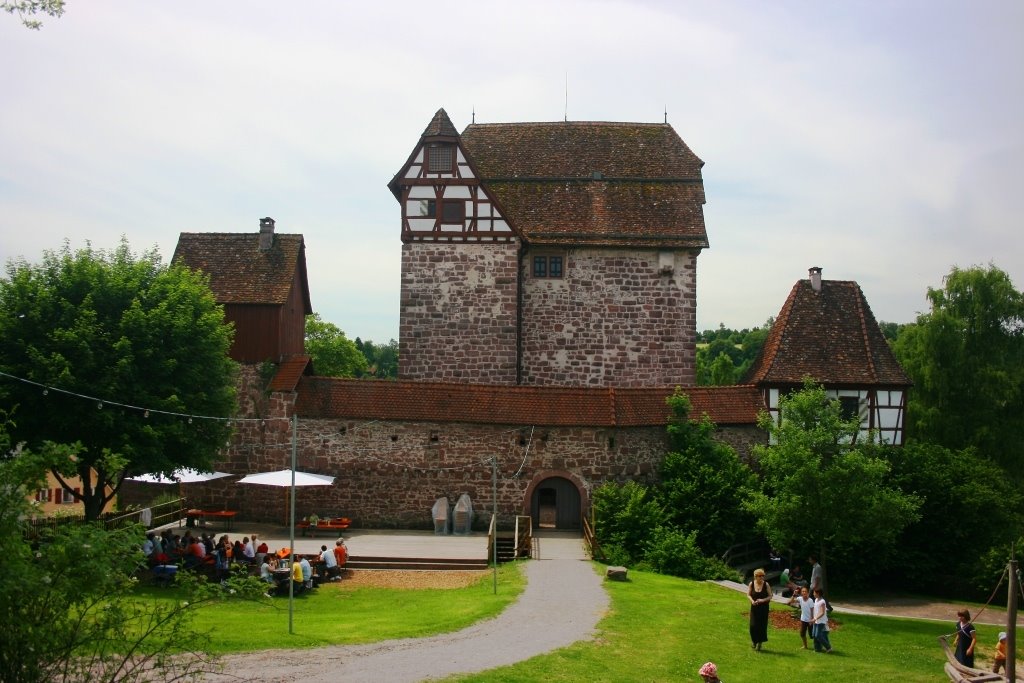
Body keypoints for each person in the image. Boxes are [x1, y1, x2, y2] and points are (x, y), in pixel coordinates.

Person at [747, 567, 771, 651]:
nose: (761, 577)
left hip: (763, 609)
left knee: (762, 626)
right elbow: (748, 594)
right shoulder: (751, 584)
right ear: (755, 576)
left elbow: (770, 596)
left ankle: (759, 643)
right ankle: (754, 641)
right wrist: (752, 601)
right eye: (760, 576)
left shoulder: (766, 585)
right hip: (754, 608)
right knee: (753, 626)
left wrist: (762, 600)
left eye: (762, 576)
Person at [812, 587, 832, 653]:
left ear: (818, 593)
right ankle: (817, 649)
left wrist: (815, 618)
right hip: (816, 621)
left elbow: (822, 612)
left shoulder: (822, 601)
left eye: (814, 592)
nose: (813, 594)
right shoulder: (816, 600)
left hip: (821, 621)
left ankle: (828, 647)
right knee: (814, 635)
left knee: (818, 635)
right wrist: (814, 619)